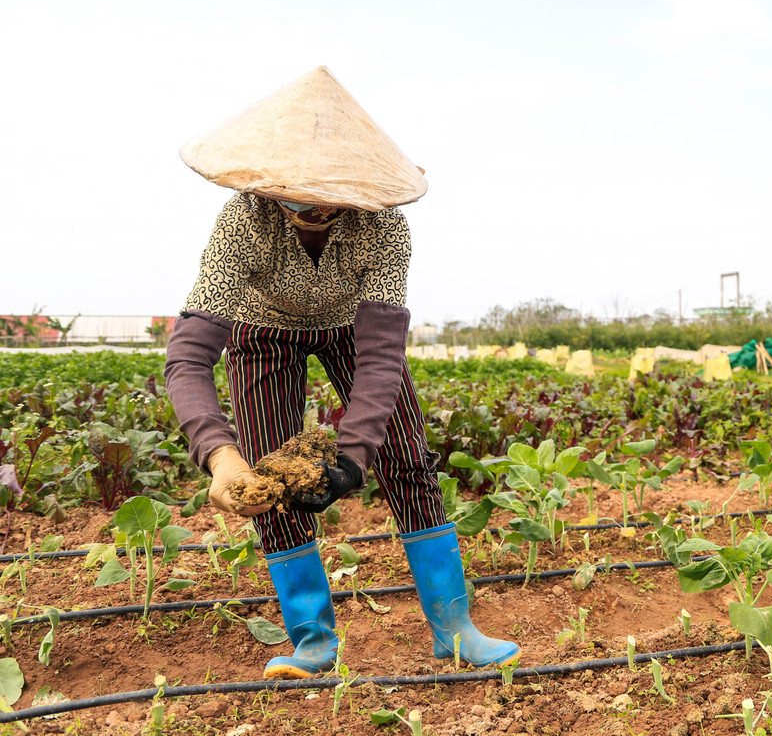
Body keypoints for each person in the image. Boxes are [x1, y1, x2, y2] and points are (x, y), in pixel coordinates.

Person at [164, 66, 520, 678]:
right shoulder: (241, 224)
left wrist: (354, 459)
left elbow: (382, 355)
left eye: (332, 193)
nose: (316, 205)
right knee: (270, 478)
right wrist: (220, 455)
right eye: (299, 190)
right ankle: (312, 641)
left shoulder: (384, 229)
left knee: (406, 456)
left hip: (350, 329)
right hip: (262, 331)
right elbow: (189, 357)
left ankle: (453, 628)